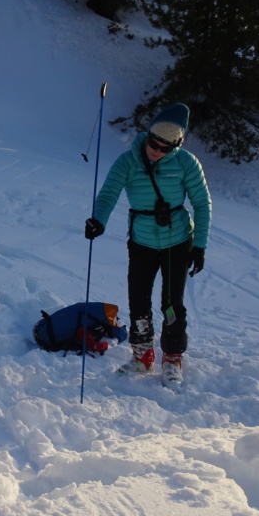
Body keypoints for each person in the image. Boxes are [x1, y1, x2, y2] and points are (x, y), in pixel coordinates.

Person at [84, 102, 211, 386]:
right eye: (154, 143)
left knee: (171, 304)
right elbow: (108, 195)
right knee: (138, 300)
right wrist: (98, 221)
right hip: (141, 241)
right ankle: (142, 356)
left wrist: (199, 245)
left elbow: (202, 204)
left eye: (165, 148)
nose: (157, 151)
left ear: (175, 146)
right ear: (148, 135)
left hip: (177, 242)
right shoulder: (128, 162)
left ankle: (173, 357)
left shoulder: (186, 163)